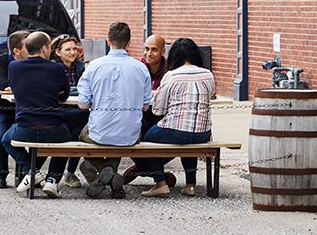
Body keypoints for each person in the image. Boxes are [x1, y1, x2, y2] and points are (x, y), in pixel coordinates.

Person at [76, 22, 151, 199]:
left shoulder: (93, 66)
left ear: (108, 41)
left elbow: (82, 105)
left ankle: (103, 174)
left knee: (82, 136)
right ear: (129, 42)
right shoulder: (141, 68)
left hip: (99, 132)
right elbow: (145, 106)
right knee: (118, 138)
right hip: (131, 134)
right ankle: (112, 178)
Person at [133, 38, 214, 197]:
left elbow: (158, 110)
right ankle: (190, 185)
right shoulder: (208, 74)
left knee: (147, 139)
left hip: (176, 130)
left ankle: (160, 183)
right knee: (190, 141)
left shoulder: (171, 75)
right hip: (203, 133)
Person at [1, 32, 71, 198]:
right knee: (70, 137)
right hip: (54, 129)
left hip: (25, 128)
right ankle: (53, 179)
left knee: (6, 139)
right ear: (45, 48)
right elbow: (64, 96)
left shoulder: (14, 67)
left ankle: (32, 171)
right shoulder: (57, 68)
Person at [121, 34, 177, 186]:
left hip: (163, 117)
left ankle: (141, 168)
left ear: (163, 51)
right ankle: (153, 172)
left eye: (154, 50)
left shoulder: (171, 70)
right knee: (132, 132)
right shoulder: (137, 67)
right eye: (146, 49)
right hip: (140, 115)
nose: (148, 53)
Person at [0, 30, 29, 189]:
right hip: (2, 112)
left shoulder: (33, 62)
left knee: (43, 134)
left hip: (25, 112)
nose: (33, 48)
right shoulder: (1, 61)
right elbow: (3, 83)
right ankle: (0, 175)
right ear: (16, 51)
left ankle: (28, 173)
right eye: (28, 45)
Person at [50, 34, 88, 188]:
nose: (73, 52)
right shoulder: (52, 67)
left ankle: (63, 175)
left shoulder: (80, 67)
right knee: (78, 126)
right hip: (59, 112)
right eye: (68, 49)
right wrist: (74, 90)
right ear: (58, 52)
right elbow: (56, 91)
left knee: (76, 133)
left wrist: (69, 90)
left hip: (76, 110)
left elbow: (85, 89)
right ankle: (66, 174)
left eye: (75, 49)